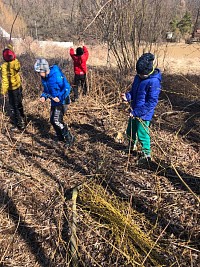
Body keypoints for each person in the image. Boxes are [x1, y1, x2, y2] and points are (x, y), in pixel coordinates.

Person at [121, 53, 161, 163]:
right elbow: (134, 92)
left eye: (141, 74)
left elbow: (152, 102)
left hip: (144, 113)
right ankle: (130, 147)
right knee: (130, 131)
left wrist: (137, 112)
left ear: (148, 71)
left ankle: (146, 154)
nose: (139, 75)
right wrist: (128, 96)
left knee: (142, 133)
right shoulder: (138, 77)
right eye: (138, 73)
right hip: (134, 111)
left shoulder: (154, 82)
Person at [34, 58, 75, 147]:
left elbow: (67, 87)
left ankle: (69, 138)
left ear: (44, 70)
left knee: (56, 120)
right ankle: (60, 138)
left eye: (39, 72)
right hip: (54, 102)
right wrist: (43, 97)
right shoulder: (44, 78)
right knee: (52, 121)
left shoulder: (56, 75)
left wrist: (59, 97)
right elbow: (46, 90)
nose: (38, 74)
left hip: (62, 101)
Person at [0, 44, 26, 131]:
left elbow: (5, 81)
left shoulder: (4, 67)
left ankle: (19, 125)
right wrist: (10, 48)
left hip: (12, 90)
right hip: (19, 87)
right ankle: (23, 119)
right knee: (19, 104)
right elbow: (13, 58)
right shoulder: (16, 63)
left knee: (14, 107)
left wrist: (2, 92)